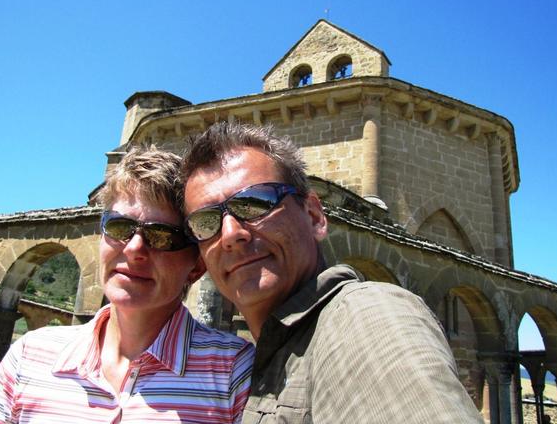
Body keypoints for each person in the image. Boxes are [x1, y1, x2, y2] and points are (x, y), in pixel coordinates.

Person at [181, 122, 483, 423]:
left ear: (314, 216)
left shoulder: (366, 315)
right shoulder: (253, 362)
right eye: (205, 222)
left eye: (255, 203)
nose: (230, 233)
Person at [0, 146, 254, 423]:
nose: (134, 248)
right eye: (120, 227)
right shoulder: (29, 356)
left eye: (161, 236)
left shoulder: (234, 372)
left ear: (196, 266)